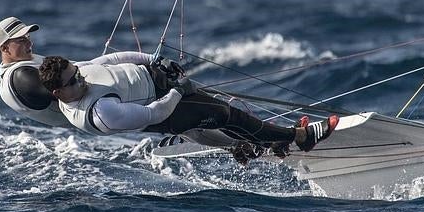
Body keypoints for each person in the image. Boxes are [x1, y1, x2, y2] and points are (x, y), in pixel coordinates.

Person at [38, 55, 339, 163]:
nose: (81, 77)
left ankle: (257, 145)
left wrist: (153, 61)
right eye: (73, 80)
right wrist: (178, 91)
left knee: (199, 129)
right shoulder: (101, 112)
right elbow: (156, 114)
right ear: (59, 92)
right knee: (225, 114)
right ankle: (297, 137)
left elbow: (113, 59)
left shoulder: (81, 72)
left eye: (76, 71)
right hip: (164, 107)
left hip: (156, 85)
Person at [0, 16, 159, 128]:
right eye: (21, 40)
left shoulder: (23, 60)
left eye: (28, 37)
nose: (29, 43)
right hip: (102, 111)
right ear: (5, 48)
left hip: (104, 107)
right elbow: (68, 92)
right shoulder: (21, 77)